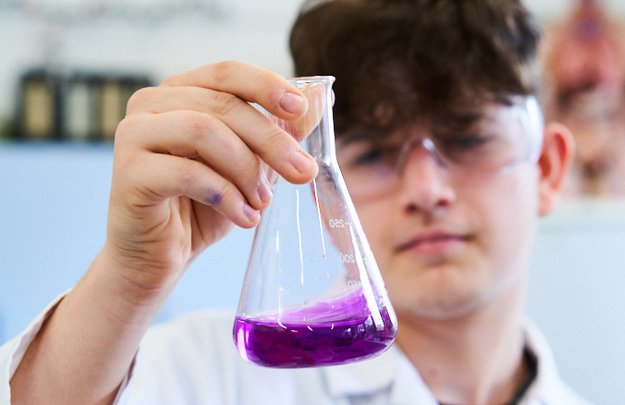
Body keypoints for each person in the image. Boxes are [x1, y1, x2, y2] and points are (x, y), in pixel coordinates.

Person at [2, 0, 589, 404]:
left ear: (547, 168)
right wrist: (129, 278)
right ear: (314, 181)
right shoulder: (211, 378)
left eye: (465, 139)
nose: (427, 191)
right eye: (375, 153)